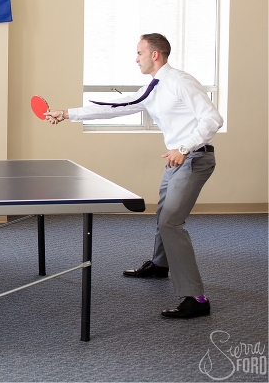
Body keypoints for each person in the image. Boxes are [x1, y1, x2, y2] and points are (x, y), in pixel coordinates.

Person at [44, 33, 222, 319]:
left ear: (155, 55)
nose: (135, 58)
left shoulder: (180, 82)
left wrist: (184, 147)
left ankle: (196, 298)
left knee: (170, 222)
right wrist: (66, 114)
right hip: (176, 160)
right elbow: (118, 107)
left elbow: (212, 118)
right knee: (164, 212)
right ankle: (160, 265)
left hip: (194, 159)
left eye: (139, 53)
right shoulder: (153, 88)